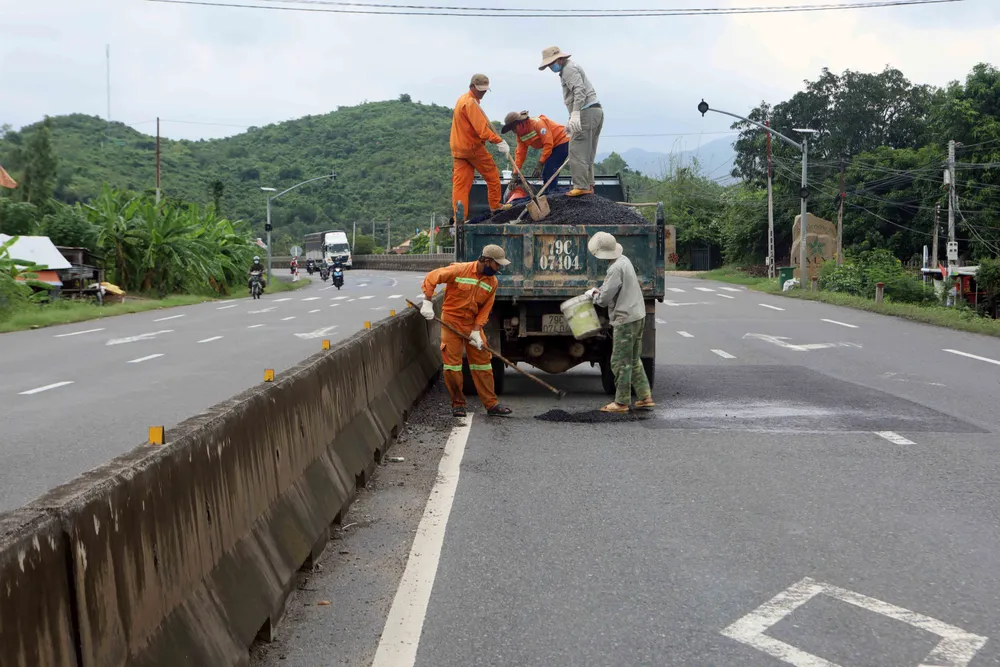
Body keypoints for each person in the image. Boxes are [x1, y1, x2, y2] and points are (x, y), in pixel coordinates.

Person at [420, 244, 513, 418]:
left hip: (472, 324)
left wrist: (477, 330)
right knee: (452, 366)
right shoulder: (459, 270)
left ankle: (491, 405)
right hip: (451, 322)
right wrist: (427, 301)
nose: (499, 268)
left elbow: (486, 308)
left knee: (483, 363)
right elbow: (432, 277)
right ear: (486, 261)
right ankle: (458, 404)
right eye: (497, 264)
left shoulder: (492, 282)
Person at [584, 232, 654, 413]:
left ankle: (621, 402)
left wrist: (593, 294)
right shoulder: (624, 260)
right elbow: (614, 288)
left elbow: (604, 299)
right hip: (637, 315)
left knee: (619, 361)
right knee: (633, 358)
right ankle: (645, 397)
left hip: (625, 319)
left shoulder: (614, 269)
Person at [538, 46, 603, 197]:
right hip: (594, 111)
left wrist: (575, 114)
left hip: (585, 111)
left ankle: (581, 185)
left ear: (559, 59)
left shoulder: (568, 69)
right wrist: (572, 120)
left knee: (576, 150)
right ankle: (588, 184)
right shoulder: (571, 67)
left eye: (551, 64)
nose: (550, 67)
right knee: (587, 152)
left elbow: (579, 90)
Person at [451, 73, 510, 221]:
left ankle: (459, 217)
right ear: (472, 86)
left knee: (461, 185)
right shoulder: (470, 103)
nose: (482, 92)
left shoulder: (463, 100)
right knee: (492, 174)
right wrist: (498, 141)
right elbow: (482, 131)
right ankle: (495, 206)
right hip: (472, 148)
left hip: (459, 149)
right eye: (480, 90)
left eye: (484, 90)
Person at [501, 110, 570, 186]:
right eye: (512, 130)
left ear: (520, 122)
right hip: (552, 146)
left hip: (562, 140)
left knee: (551, 168)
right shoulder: (520, 137)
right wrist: (515, 174)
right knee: (546, 172)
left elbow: (548, 144)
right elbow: (520, 155)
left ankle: (551, 193)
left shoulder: (537, 124)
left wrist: (540, 164)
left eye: (514, 128)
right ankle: (548, 193)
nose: (514, 132)